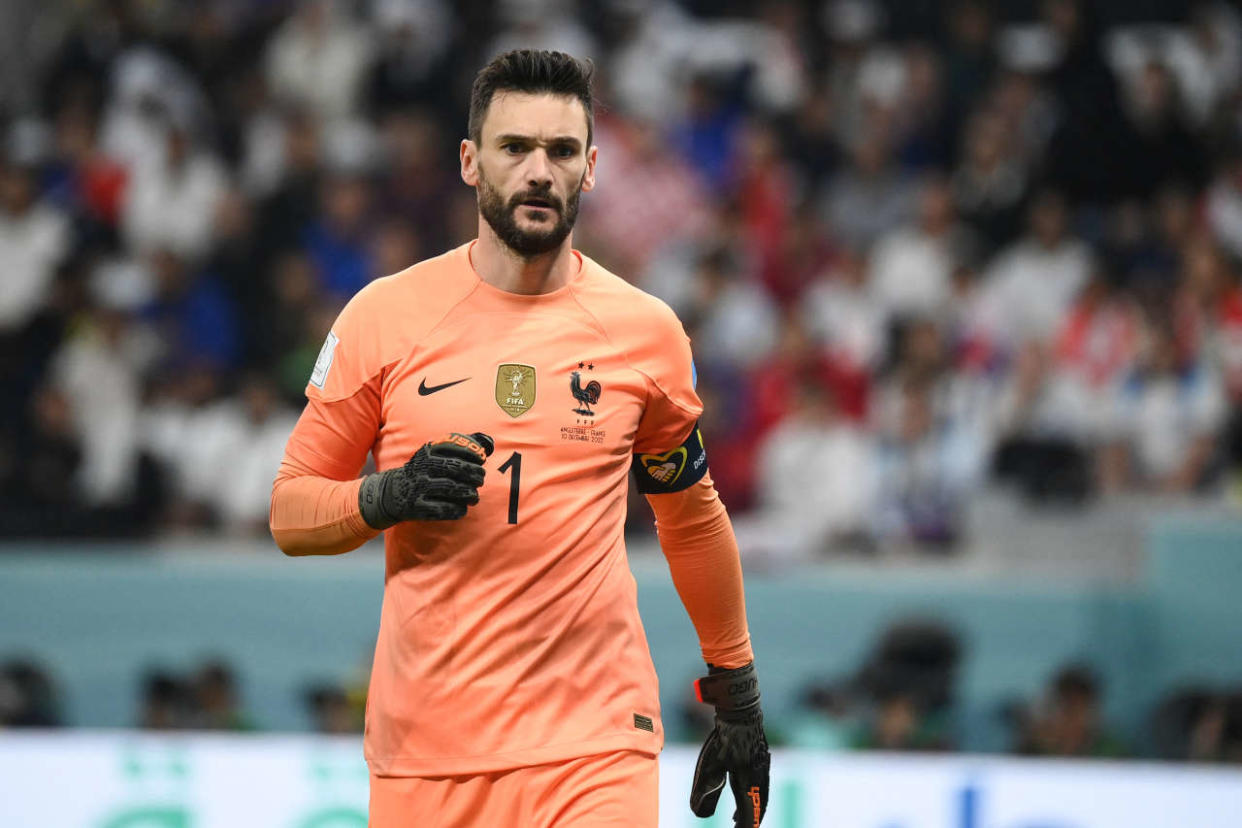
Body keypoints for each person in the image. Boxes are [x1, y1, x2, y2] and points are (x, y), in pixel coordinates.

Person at [269, 50, 769, 828]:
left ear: (592, 168)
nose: (540, 171)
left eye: (562, 151)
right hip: (427, 755)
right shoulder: (384, 317)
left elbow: (690, 515)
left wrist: (735, 689)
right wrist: (385, 496)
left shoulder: (646, 333)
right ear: (471, 162)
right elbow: (291, 512)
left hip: (595, 745)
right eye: (515, 148)